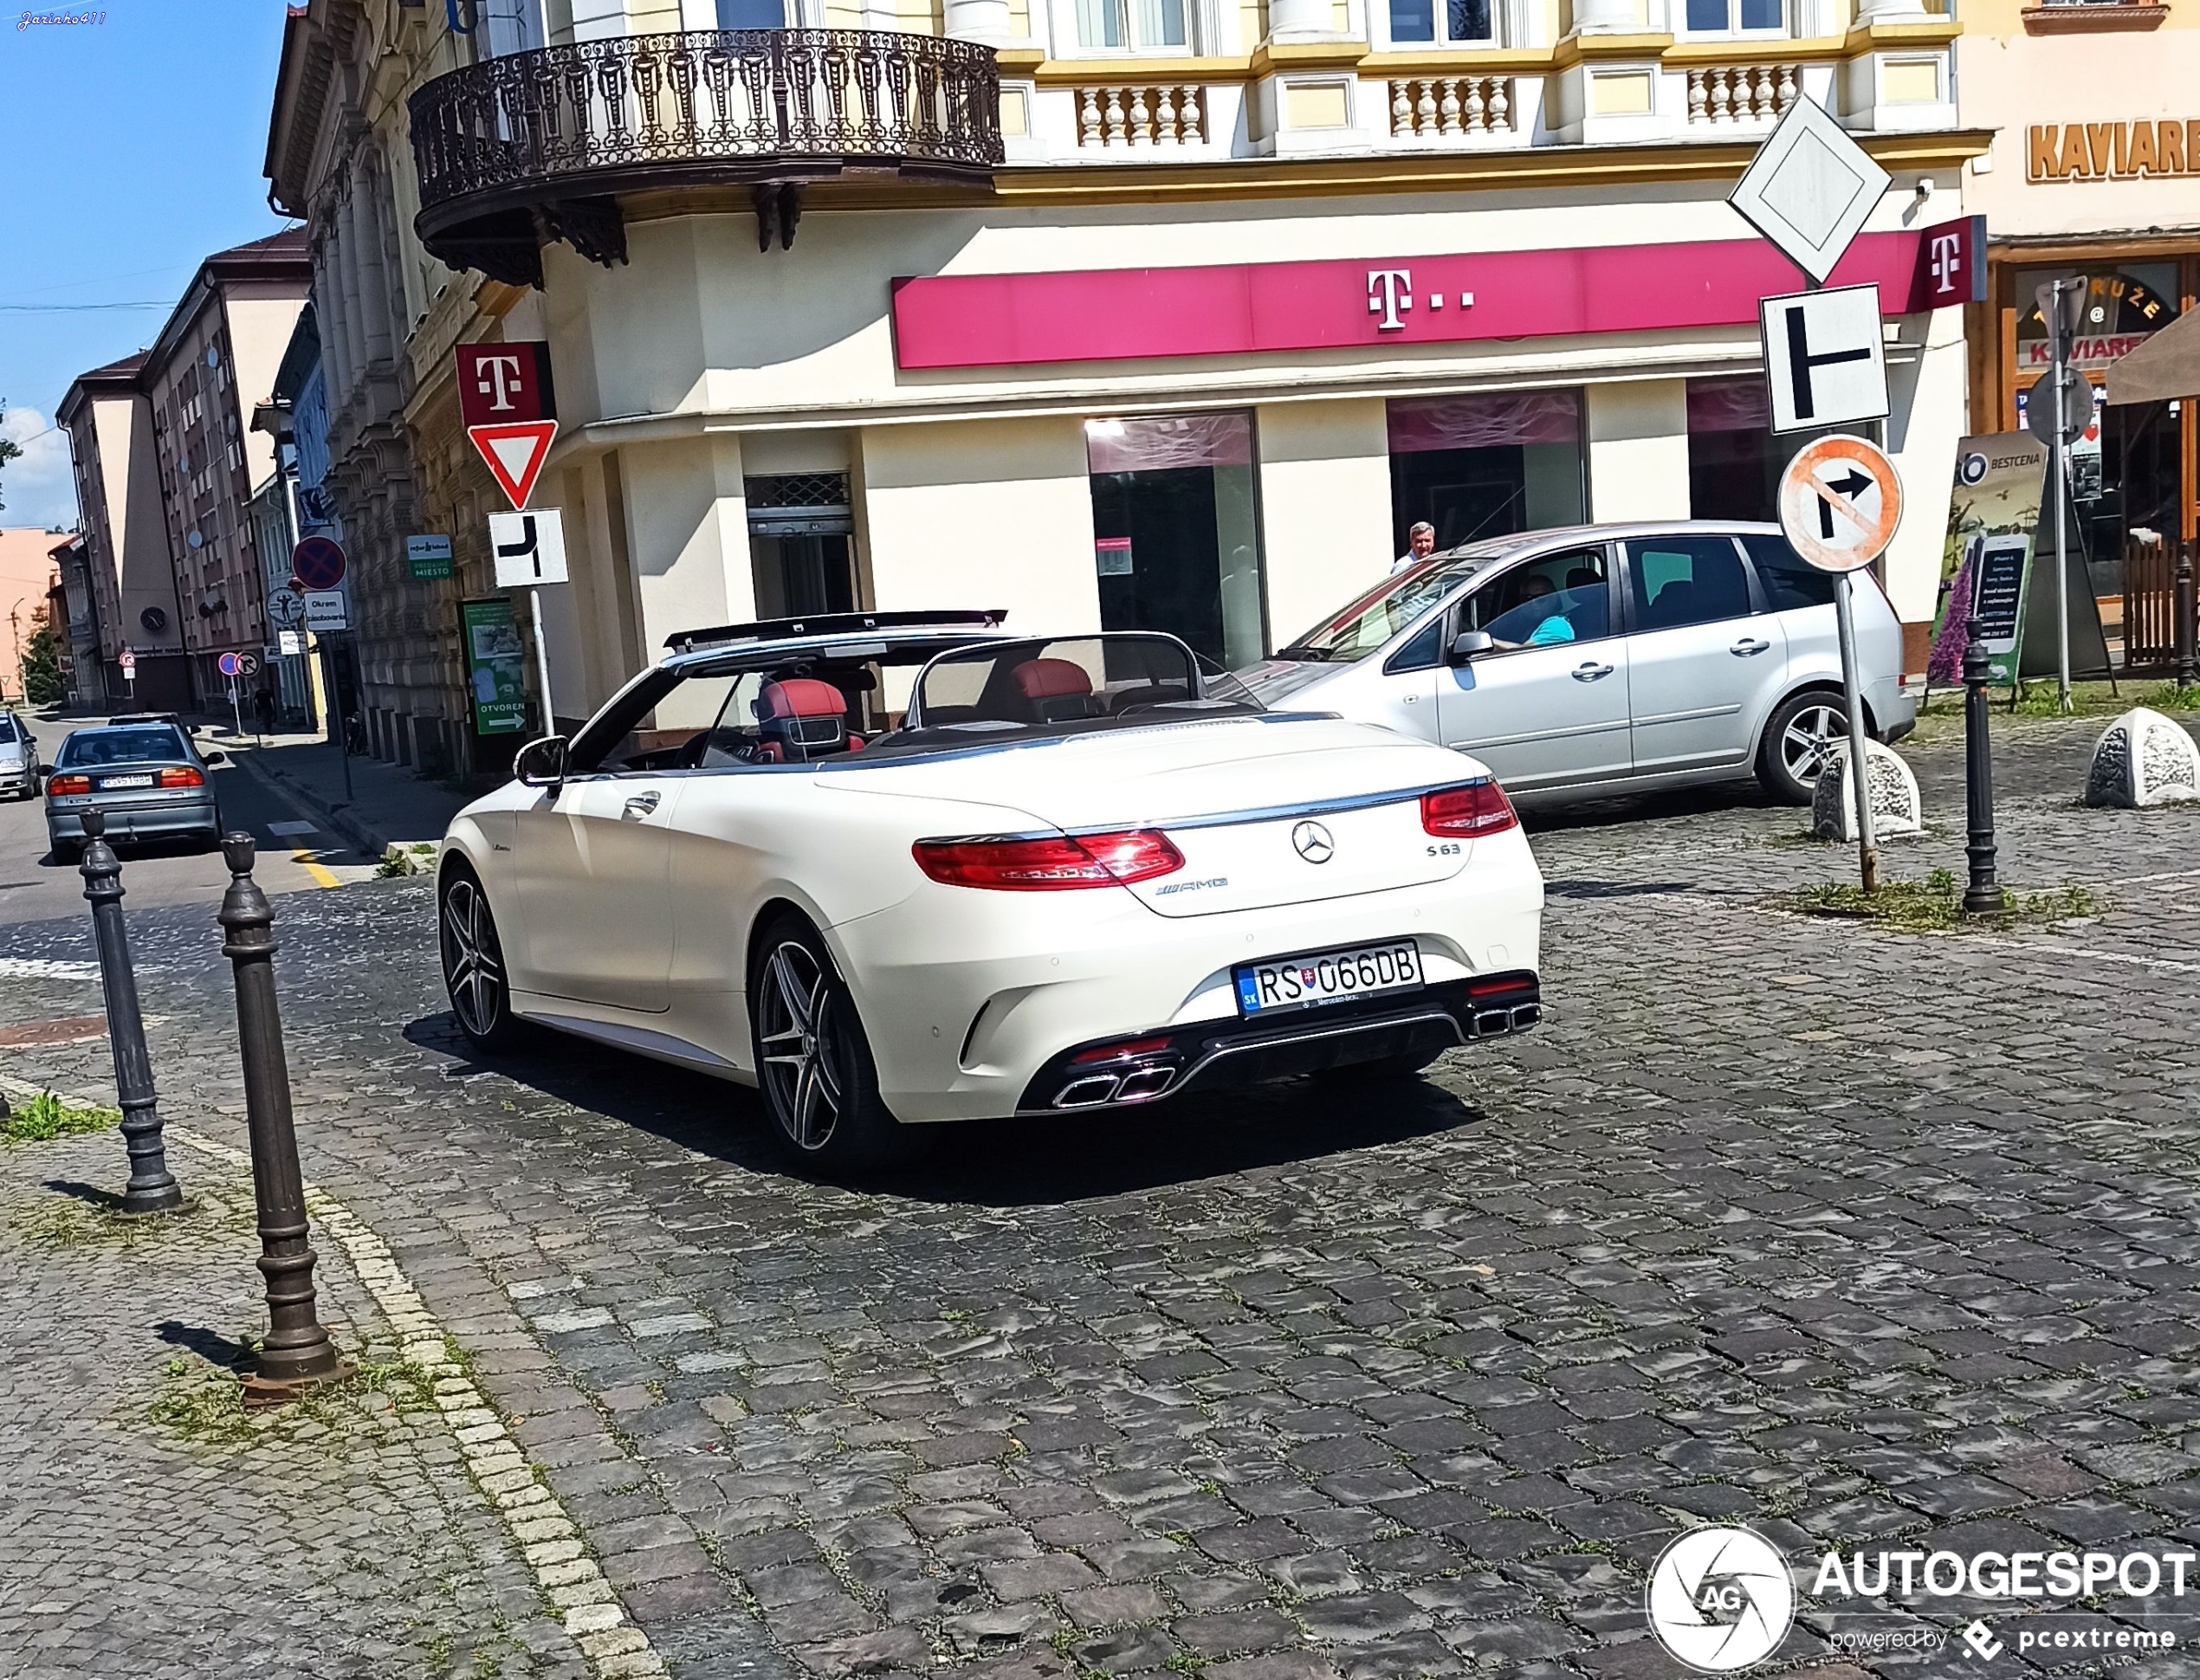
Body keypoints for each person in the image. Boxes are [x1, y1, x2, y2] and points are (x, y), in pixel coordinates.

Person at [1490, 575, 1578, 650]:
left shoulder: (1558, 624)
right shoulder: (1526, 625)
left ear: (1554, 599)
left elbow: (1524, 653)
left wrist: (1490, 641)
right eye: (1527, 599)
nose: (1533, 603)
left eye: (1540, 598)